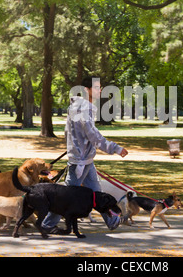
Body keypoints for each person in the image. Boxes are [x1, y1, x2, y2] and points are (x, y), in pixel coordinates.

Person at [41, 76, 128, 233]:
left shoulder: (81, 107)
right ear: (87, 90)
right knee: (66, 195)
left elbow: (72, 132)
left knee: (96, 192)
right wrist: (114, 148)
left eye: (100, 87)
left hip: (85, 158)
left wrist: (74, 146)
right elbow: (93, 135)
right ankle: (47, 225)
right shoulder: (83, 109)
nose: (100, 90)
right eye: (97, 87)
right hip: (80, 160)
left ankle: (111, 220)